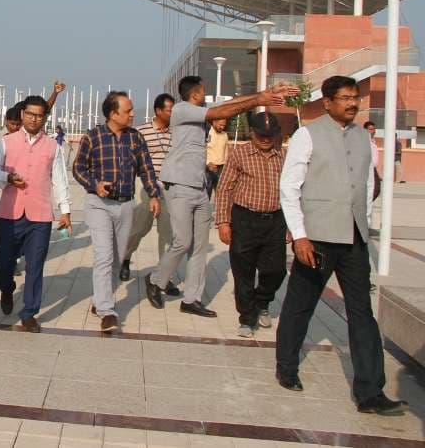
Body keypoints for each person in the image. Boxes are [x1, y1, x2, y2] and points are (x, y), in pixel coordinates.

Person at [275, 75, 406, 415]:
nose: (352, 103)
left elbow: (365, 187)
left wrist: (364, 229)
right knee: (300, 305)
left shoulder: (365, 138)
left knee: (362, 313)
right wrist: (299, 235)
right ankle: (286, 367)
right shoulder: (308, 135)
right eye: (344, 97)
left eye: (355, 97)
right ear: (328, 102)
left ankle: (370, 391)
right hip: (316, 237)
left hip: (353, 240)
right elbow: (289, 187)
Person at [145, 76, 295, 318]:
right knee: (183, 241)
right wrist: (260, 99)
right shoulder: (182, 110)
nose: (206, 95)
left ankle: (191, 299)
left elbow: (233, 104)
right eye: (203, 91)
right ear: (195, 94)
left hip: (199, 186)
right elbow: (224, 110)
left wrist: (263, 94)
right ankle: (155, 280)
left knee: (200, 247)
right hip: (179, 184)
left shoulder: (201, 110)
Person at [73, 92, 160, 332]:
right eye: (128, 110)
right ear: (113, 113)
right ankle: (107, 311)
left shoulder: (136, 138)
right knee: (103, 255)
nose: (133, 114)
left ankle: (100, 300)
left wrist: (153, 195)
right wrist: (95, 184)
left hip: (125, 205)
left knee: (117, 257)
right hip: (98, 204)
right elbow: (78, 168)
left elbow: (147, 169)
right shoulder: (93, 137)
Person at [0, 95, 72, 333]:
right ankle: (7, 289)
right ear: (22, 115)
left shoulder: (52, 146)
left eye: (39, 115)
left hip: (40, 216)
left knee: (35, 264)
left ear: (45, 118)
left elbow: (59, 179)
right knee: (3, 262)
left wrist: (65, 210)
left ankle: (29, 312)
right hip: (10, 212)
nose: (34, 119)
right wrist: (7, 178)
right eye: (30, 114)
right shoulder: (6, 142)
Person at [214, 112, 286, 338]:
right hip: (245, 219)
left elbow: (295, 191)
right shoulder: (239, 155)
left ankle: (262, 301)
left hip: (275, 220)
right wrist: (223, 222)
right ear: (253, 132)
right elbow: (224, 188)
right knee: (243, 271)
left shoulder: (283, 156)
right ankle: (246, 317)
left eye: (270, 135)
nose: (266, 139)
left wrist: (294, 226)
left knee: (276, 270)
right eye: (261, 135)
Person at [121, 93, 177, 287]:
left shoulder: (176, 132)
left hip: (170, 188)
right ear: (158, 111)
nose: (172, 113)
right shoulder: (142, 131)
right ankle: (125, 258)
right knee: (139, 228)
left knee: (168, 234)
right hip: (147, 187)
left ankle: (164, 277)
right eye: (169, 110)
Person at [0, 105, 24, 265]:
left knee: (14, 225)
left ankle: (10, 258)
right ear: (6, 121)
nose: (14, 127)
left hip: (17, 186)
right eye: (12, 123)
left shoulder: (23, 139)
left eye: (17, 124)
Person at [206, 118, 229, 191]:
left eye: (224, 125)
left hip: (221, 168)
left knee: (220, 192)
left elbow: (226, 150)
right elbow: (202, 149)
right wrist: (207, 163)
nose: (222, 127)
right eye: (220, 125)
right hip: (208, 167)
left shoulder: (225, 135)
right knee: (207, 192)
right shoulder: (207, 133)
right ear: (214, 122)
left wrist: (226, 164)